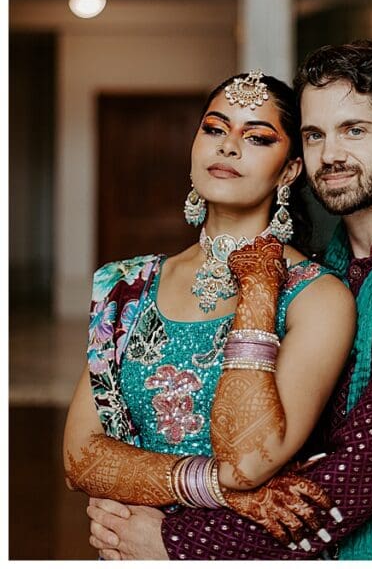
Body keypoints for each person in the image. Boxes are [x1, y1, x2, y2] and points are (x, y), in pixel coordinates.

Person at [87, 37, 372, 560]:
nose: (331, 155)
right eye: (314, 135)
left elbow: (351, 482)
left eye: (354, 130)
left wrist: (174, 539)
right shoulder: (330, 267)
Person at [64, 71, 356, 549]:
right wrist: (224, 490)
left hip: (232, 551)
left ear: (289, 171)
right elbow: (80, 458)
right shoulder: (127, 287)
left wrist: (260, 293)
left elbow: (248, 460)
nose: (228, 147)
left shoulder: (317, 297)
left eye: (257, 137)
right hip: (125, 549)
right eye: (215, 129)